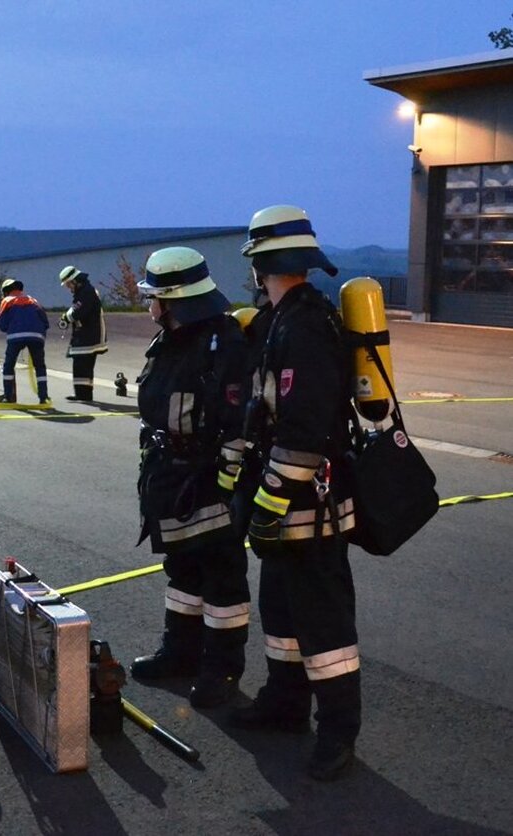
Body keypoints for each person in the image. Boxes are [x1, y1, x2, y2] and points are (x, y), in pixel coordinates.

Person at [228, 204, 361, 781]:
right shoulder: (281, 318)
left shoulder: (304, 326)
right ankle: (285, 704)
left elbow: (305, 430)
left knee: (324, 626)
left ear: (262, 264)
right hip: (287, 506)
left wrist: (269, 501)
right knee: (281, 611)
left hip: (310, 507)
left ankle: (338, 733)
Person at [128, 247, 250, 709]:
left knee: (222, 577)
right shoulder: (172, 340)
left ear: (173, 300)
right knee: (182, 569)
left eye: (153, 297)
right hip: (170, 476)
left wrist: (225, 484)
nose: (149, 305)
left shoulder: (224, 341)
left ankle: (221, 670)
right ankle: (180, 653)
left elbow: (237, 420)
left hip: (207, 479)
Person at [58, 265, 108, 401]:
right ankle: (83, 394)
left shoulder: (86, 292)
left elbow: (78, 311)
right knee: (83, 364)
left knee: (82, 364)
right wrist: (66, 317)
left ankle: (83, 395)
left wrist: (66, 319)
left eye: (68, 284)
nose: (69, 288)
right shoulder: (85, 291)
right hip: (87, 334)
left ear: (74, 281)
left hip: (89, 335)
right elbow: (75, 309)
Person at [0, 278, 50, 403]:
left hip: (15, 336)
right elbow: (45, 321)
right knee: (40, 366)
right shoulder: (33, 300)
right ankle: (43, 396)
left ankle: (8, 397)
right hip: (37, 336)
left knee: (9, 366)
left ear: (5, 292)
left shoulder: (7, 301)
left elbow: (2, 324)